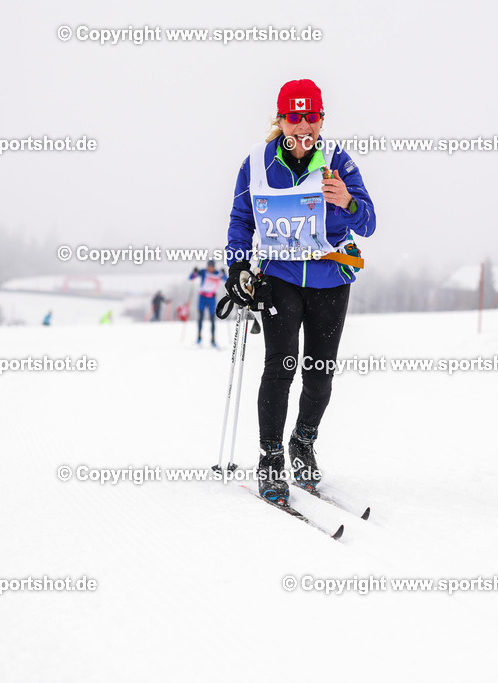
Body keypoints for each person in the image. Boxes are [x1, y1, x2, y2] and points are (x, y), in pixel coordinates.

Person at [224, 78, 376, 505]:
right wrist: (238, 265)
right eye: (295, 118)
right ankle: (270, 459)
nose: (303, 128)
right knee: (280, 367)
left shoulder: (339, 162)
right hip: (280, 277)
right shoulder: (257, 163)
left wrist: (347, 201)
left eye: (311, 118)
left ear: (321, 119)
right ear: (282, 120)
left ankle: (303, 441)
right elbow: (241, 218)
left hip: (330, 279)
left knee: (319, 372)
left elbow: (369, 223)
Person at [189, 261, 226, 344]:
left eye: (212, 267)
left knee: (212, 319)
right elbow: (191, 277)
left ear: (214, 267)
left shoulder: (218, 273)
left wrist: (224, 273)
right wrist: (194, 272)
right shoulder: (203, 272)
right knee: (200, 318)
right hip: (202, 297)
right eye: (209, 266)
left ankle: (213, 339)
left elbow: (226, 279)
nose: (210, 268)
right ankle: (199, 337)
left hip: (212, 299)